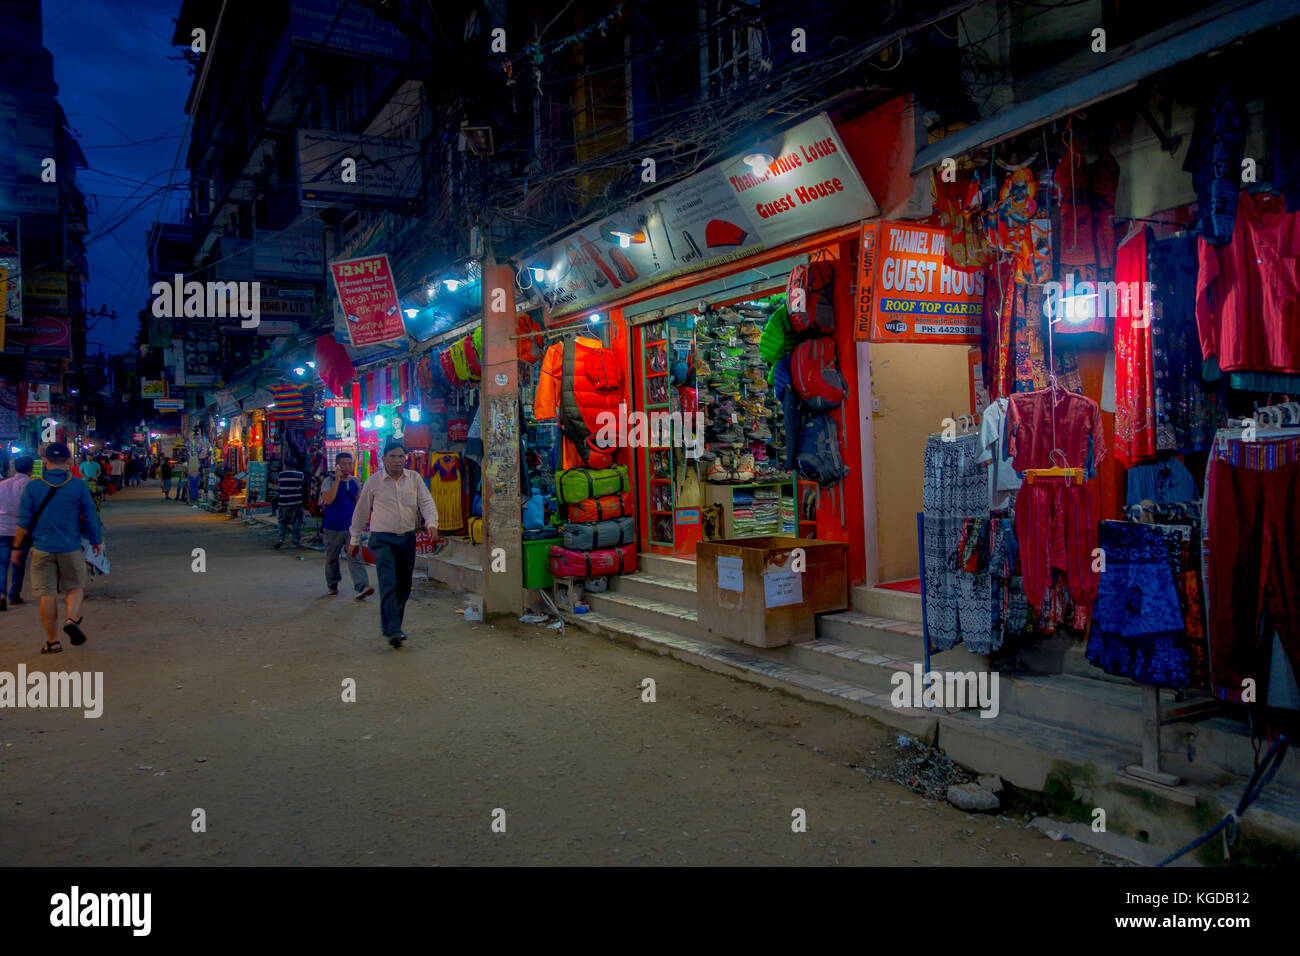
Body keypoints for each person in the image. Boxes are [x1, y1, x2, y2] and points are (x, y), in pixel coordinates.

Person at [11, 442, 103, 653]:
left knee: (47, 594)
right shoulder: (78, 485)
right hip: (70, 546)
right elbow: (90, 516)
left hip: (41, 547)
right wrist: (96, 540)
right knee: (75, 587)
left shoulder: (33, 486)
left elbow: (23, 521)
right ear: (69, 461)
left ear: (44, 462)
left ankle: (53, 642)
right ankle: (71, 620)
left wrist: (16, 548)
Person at [348, 441, 439, 648]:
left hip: (407, 538)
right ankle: (393, 630)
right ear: (384, 459)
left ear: (405, 458)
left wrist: (431, 523)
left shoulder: (414, 479)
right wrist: (354, 539)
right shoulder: (373, 482)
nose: (397, 460)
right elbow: (361, 513)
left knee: (404, 585)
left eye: (400, 456)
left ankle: (394, 625)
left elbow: (426, 502)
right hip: (382, 540)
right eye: (392, 456)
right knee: (388, 582)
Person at [319, 452, 373, 598]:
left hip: (351, 528)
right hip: (333, 527)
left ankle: (361, 586)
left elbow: (358, 503)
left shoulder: (355, 481)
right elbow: (328, 500)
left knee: (355, 557)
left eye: (349, 463)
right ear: (337, 465)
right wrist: (337, 480)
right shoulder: (328, 481)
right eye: (343, 464)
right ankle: (332, 583)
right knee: (332, 557)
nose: (347, 466)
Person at [0, 456, 34, 611]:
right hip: (20, 530)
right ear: (31, 469)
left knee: (2, 564)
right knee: (18, 563)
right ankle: (14, 595)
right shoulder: (30, 485)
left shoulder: (3, 484)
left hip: (2, 528)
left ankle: (1, 594)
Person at [273, 462, 305, 549]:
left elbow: (277, 485)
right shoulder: (300, 474)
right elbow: (302, 484)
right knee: (296, 522)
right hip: (296, 501)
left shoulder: (281, 475)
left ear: (285, 466)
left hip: (283, 501)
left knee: (282, 521)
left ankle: (280, 539)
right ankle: (295, 542)